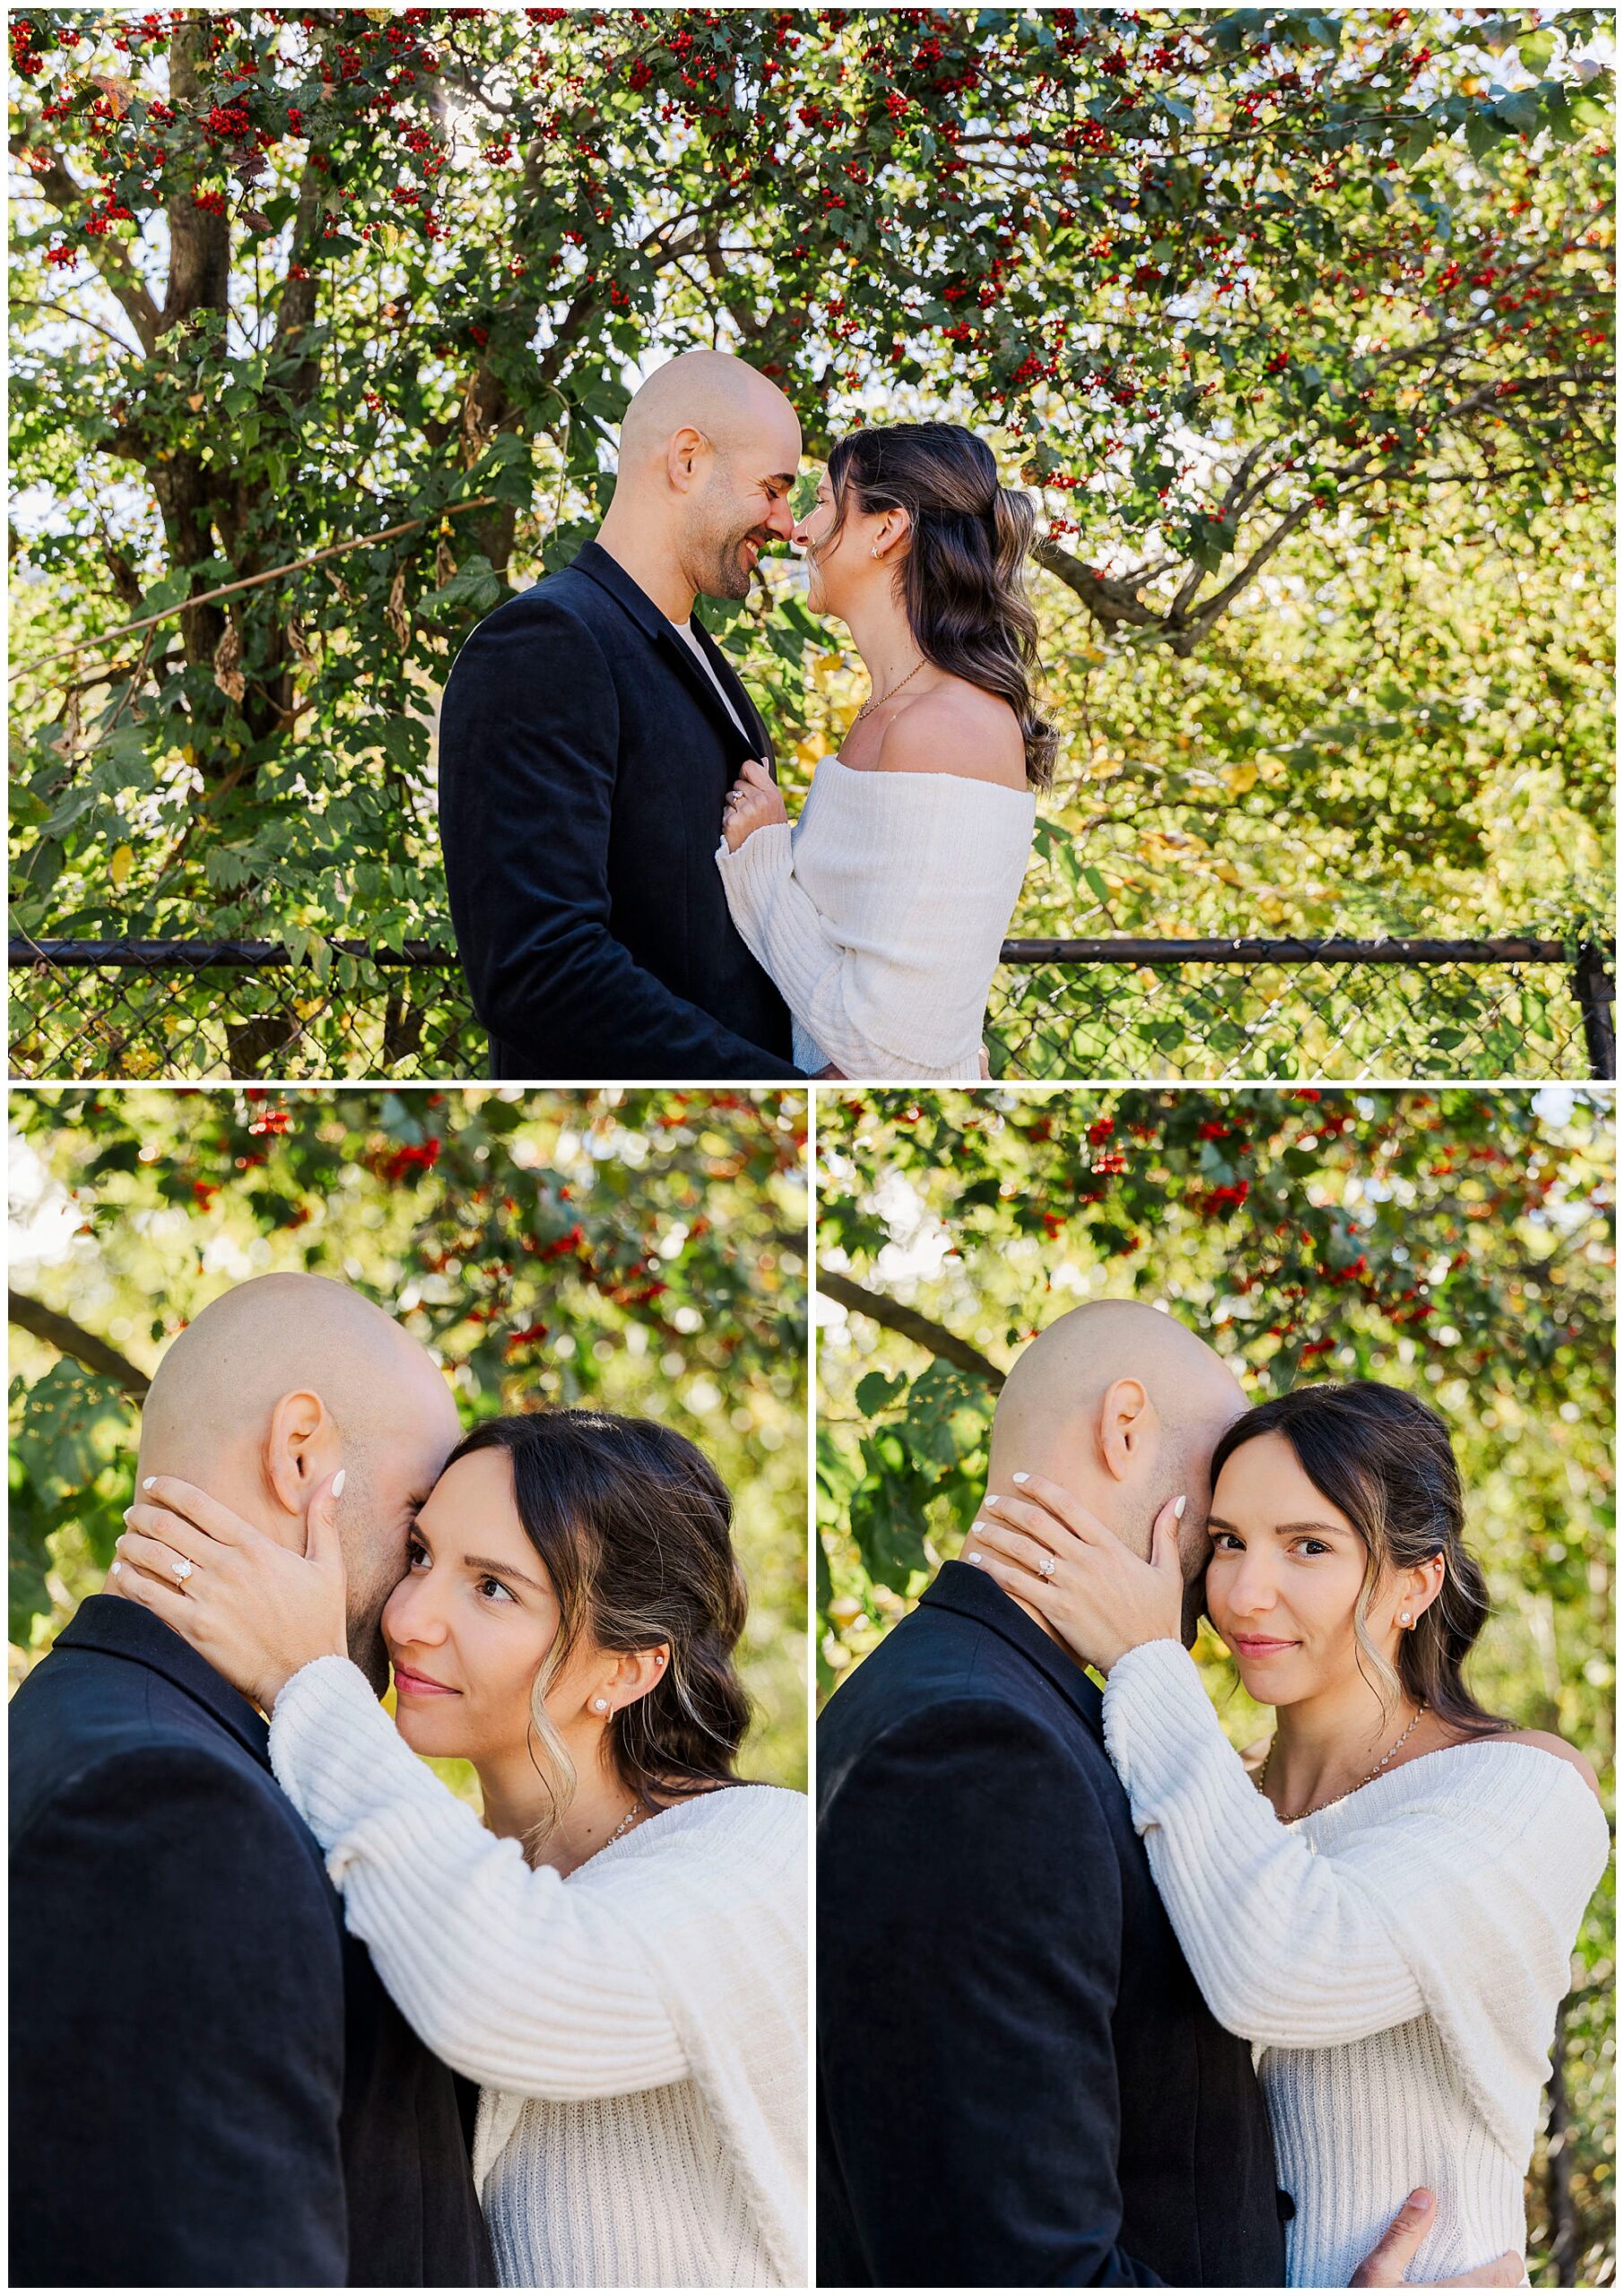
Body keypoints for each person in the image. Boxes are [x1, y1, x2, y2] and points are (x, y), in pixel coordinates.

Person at [109, 1406, 808, 2290]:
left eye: (491, 1588)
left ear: (626, 1668)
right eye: (419, 1556)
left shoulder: (768, 1854)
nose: (407, 1619)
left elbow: (508, 1988)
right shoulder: (435, 1869)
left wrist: (307, 1679)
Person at [968, 1378, 1606, 2287]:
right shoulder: (1196, 1795)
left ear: (1412, 1582)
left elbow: (1287, 1962)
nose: (1242, 1591)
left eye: (1307, 1545)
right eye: (1225, 1542)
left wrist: (1144, 1660)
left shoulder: (1521, 1789)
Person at [8, 1274, 495, 2288]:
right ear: (300, 1453)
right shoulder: (172, 1812)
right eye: (413, 1532)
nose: (413, 1603)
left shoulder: (107, 1732)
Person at [439, 348, 806, 1082]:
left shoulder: (695, 654)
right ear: (687, 460)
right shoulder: (547, 643)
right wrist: (778, 1090)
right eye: (771, 488)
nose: (787, 523)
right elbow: (540, 971)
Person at [715, 422, 1048, 1079]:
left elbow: (894, 1052)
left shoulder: (947, 726)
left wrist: (761, 866)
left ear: (885, 528)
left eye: (820, 502)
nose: (798, 530)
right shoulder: (889, 714)